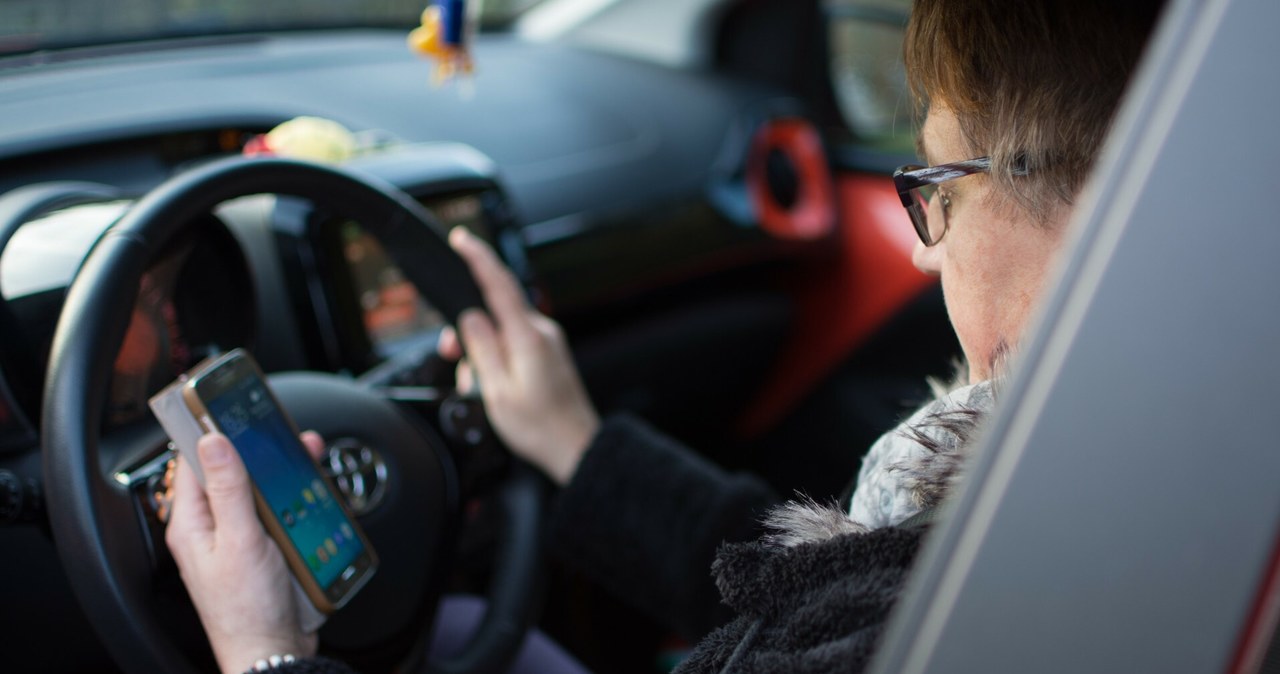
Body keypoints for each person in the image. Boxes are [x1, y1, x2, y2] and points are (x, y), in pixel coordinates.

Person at [165, 0, 1165, 671]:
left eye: (937, 188)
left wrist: (264, 646)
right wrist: (576, 441)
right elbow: (802, 582)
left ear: (1091, 201)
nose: (919, 254)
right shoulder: (1113, 484)